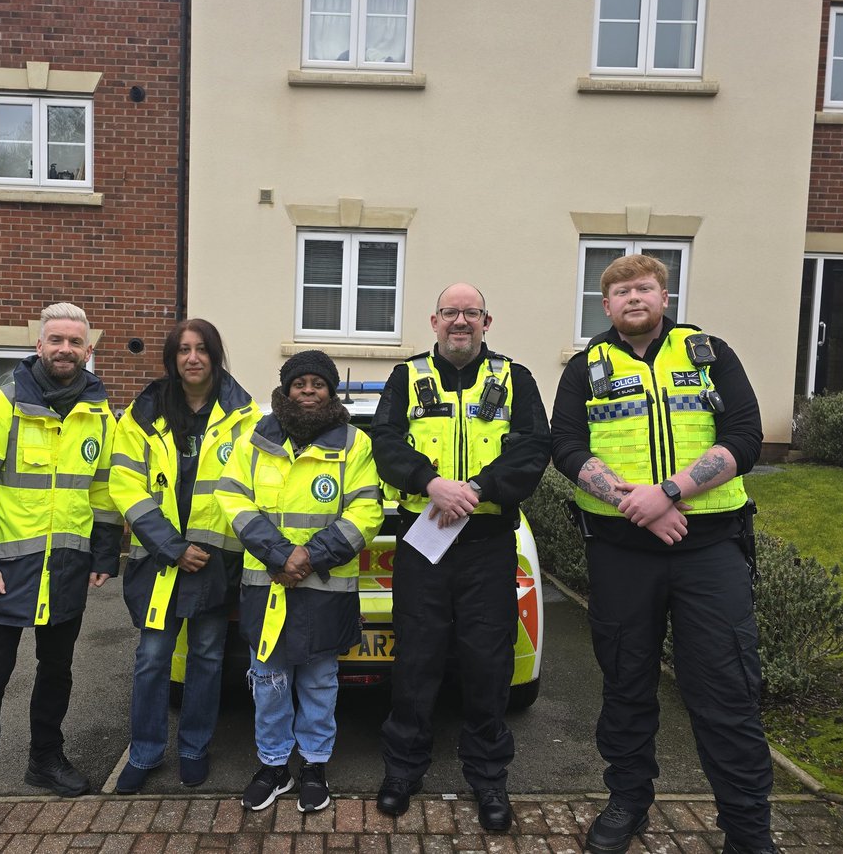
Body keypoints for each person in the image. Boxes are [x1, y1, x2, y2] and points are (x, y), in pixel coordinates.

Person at [549, 254, 774, 854]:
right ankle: (628, 802)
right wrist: (639, 505)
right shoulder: (585, 369)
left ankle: (748, 831)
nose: (633, 298)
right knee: (626, 684)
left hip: (710, 551)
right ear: (605, 305)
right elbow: (566, 446)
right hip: (621, 553)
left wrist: (670, 492)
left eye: (644, 287)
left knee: (726, 690)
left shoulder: (710, 355)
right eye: (620, 291)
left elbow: (746, 438)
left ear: (664, 297)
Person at [371, 283, 551, 832]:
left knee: (488, 663)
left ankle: (488, 777)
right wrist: (430, 483)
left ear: (486, 322)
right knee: (416, 659)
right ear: (434, 321)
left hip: (486, 542)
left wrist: (474, 488)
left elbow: (533, 448)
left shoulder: (515, 378)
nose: (460, 321)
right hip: (422, 539)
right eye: (450, 312)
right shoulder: (406, 377)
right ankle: (402, 770)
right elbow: (385, 443)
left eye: (471, 313)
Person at [0, 303, 121, 849]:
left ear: (89, 350)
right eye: (56, 340)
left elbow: (103, 490)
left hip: (66, 567)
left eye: (75, 341)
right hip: (4, 572)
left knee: (57, 672)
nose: (65, 349)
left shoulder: (100, 415)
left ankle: (45, 759)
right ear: (38, 345)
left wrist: (103, 554)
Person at [215, 350, 383, 813]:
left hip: (324, 589)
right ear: (286, 390)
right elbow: (232, 499)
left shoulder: (354, 443)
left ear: (331, 391)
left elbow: (366, 509)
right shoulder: (255, 439)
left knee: (319, 683)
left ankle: (313, 764)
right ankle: (273, 766)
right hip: (267, 588)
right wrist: (279, 554)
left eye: (318, 383)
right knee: (268, 682)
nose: (308, 390)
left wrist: (309, 556)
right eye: (299, 383)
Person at [109, 318, 260, 793]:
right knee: (152, 659)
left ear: (215, 355)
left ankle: (194, 749)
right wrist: (172, 547)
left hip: (215, 562)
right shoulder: (142, 415)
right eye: (183, 350)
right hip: (160, 561)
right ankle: (146, 752)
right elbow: (124, 484)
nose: (192, 358)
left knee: (207, 658)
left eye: (201, 349)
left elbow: (252, 487)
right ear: (172, 359)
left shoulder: (245, 416)